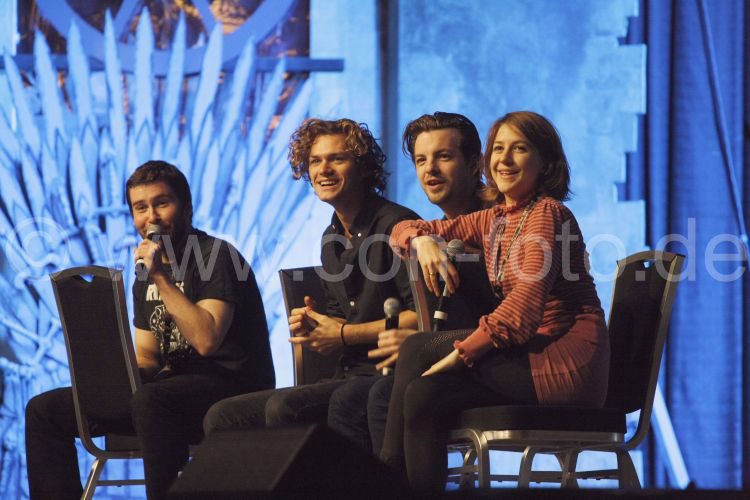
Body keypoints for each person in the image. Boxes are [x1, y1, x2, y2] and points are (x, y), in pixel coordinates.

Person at [380, 111, 610, 492]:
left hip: (566, 362)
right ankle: (395, 484)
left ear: (545, 162)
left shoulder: (547, 215)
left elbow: (520, 313)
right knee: (422, 394)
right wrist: (421, 241)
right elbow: (400, 230)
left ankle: (386, 481)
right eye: (497, 149)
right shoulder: (498, 218)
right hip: (529, 355)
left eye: (518, 149)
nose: (503, 160)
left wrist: (461, 353)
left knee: (420, 348)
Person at [25, 161, 275, 500]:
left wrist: (160, 277)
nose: (151, 217)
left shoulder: (216, 256)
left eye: (162, 203)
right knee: (45, 410)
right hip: (169, 390)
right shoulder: (146, 272)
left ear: (186, 207)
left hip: (229, 386)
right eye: (140, 208)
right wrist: (110, 381)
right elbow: (148, 355)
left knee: (151, 400)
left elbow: (206, 340)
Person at [202, 118, 418, 438]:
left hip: (388, 378)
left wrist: (344, 334)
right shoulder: (330, 237)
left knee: (286, 408)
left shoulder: (397, 225)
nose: (323, 169)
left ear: (362, 168)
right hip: (346, 376)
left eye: (337, 159)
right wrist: (316, 326)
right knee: (223, 415)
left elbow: (421, 319)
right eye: (315, 161)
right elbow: (339, 323)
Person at [327, 112, 496, 454]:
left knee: (376, 397)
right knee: (358, 398)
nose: (429, 170)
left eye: (443, 157)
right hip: (459, 358)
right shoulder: (433, 228)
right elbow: (403, 230)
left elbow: (509, 313)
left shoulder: (502, 218)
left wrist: (423, 342)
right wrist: (422, 239)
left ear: (475, 164)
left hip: (501, 362)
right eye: (421, 160)